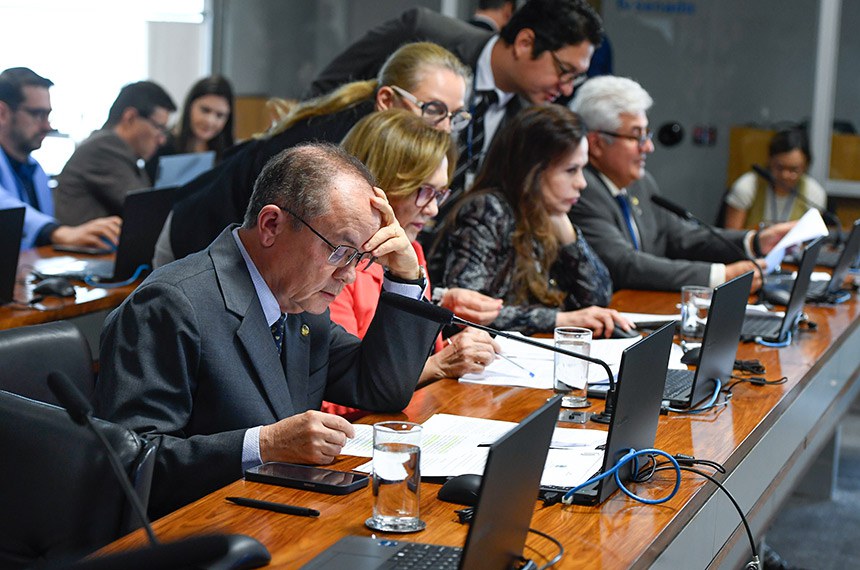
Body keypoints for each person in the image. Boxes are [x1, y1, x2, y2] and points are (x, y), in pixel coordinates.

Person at [94, 143, 441, 518]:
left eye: (361, 257)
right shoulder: (170, 304)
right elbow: (133, 463)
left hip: (274, 514)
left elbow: (379, 388)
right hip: (195, 532)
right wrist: (263, 445)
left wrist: (405, 276)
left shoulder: (299, 301)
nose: (350, 274)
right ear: (271, 225)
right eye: (341, 251)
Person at [154, 41, 473, 266]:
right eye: (434, 110)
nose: (445, 128)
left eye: (455, 116)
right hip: (197, 233)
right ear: (387, 100)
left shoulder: (375, 137)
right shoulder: (338, 143)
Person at [305, 0, 603, 186]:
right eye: (565, 71)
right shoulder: (424, 31)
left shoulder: (525, 123)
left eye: (575, 79)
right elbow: (325, 93)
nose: (566, 88)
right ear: (525, 42)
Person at [569, 76, 793, 292]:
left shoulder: (641, 183)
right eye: (636, 137)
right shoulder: (581, 190)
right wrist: (719, 276)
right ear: (596, 144)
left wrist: (754, 242)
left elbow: (682, 237)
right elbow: (624, 265)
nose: (648, 147)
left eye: (647, 135)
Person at [333, 109, 502, 389]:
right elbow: (337, 394)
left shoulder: (411, 251)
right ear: (380, 184)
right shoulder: (336, 264)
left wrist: (455, 350)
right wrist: (440, 365)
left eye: (440, 194)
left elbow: (418, 358)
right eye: (424, 191)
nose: (434, 209)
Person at [433, 105, 632, 337]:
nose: (582, 183)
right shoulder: (487, 209)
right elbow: (469, 312)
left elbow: (597, 298)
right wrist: (562, 319)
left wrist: (569, 237)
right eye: (570, 170)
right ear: (533, 170)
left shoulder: (547, 211)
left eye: (582, 170)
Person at [0, 67, 120, 249]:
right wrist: (58, 232)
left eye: (48, 114)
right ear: (2, 113)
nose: (47, 126)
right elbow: (5, 204)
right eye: (37, 114)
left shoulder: (36, 170)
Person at [53, 80, 176, 226]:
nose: (161, 140)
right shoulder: (105, 148)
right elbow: (148, 212)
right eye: (158, 127)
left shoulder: (116, 150)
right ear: (130, 117)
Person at [724, 128, 826, 230]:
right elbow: (731, 238)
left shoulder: (813, 193)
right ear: (769, 161)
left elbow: (812, 239)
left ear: (805, 167)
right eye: (779, 167)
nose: (785, 175)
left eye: (793, 170)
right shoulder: (748, 186)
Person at [145, 75, 235, 182]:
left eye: (220, 115)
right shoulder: (162, 146)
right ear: (189, 107)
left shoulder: (229, 155)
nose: (210, 121)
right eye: (205, 110)